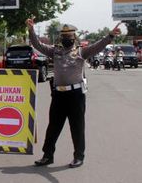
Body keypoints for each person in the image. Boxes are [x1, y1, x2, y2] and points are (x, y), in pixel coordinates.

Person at [27, 19, 121, 168]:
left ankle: (78, 156)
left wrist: (110, 36)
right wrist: (31, 30)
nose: (66, 39)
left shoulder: (82, 51)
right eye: (64, 37)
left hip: (76, 95)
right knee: (53, 127)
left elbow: (97, 46)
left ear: (74, 38)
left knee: (77, 127)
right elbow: (37, 44)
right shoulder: (54, 51)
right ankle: (47, 156)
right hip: (58, 95)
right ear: (60, 38)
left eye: (69, 37)